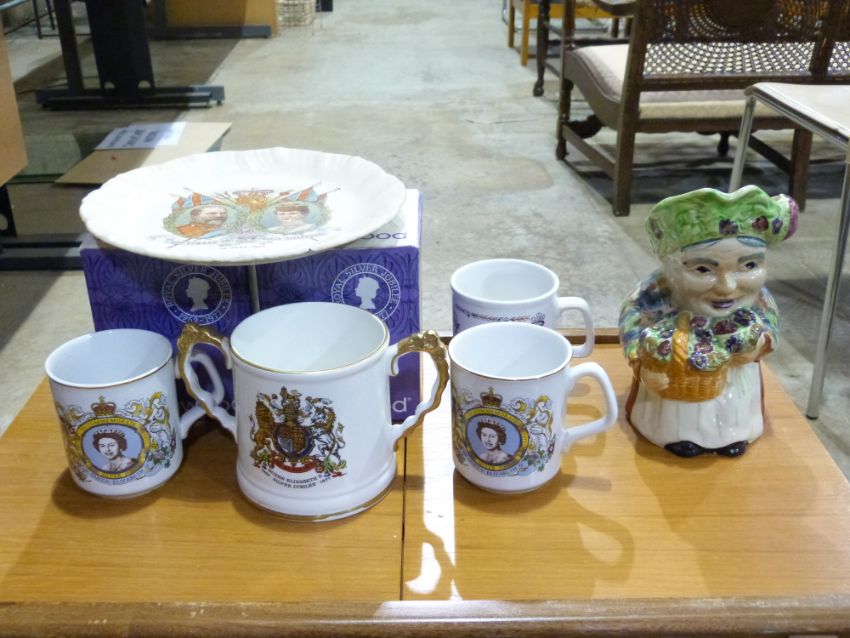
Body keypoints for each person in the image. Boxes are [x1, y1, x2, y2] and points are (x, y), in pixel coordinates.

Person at [619, 186, 798, 458]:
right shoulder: (656, 290)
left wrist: (760, 343)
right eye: (703, 269)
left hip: (736, 377)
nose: (727, 287)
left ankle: (734, 435)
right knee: (678, 415)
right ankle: (678, 437)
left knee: (735, 406)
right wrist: (641, 365)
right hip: (675, 379)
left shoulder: (757, 298)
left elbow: (769, 321)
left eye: (749, 266)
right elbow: (632, 317)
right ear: (671, 268)